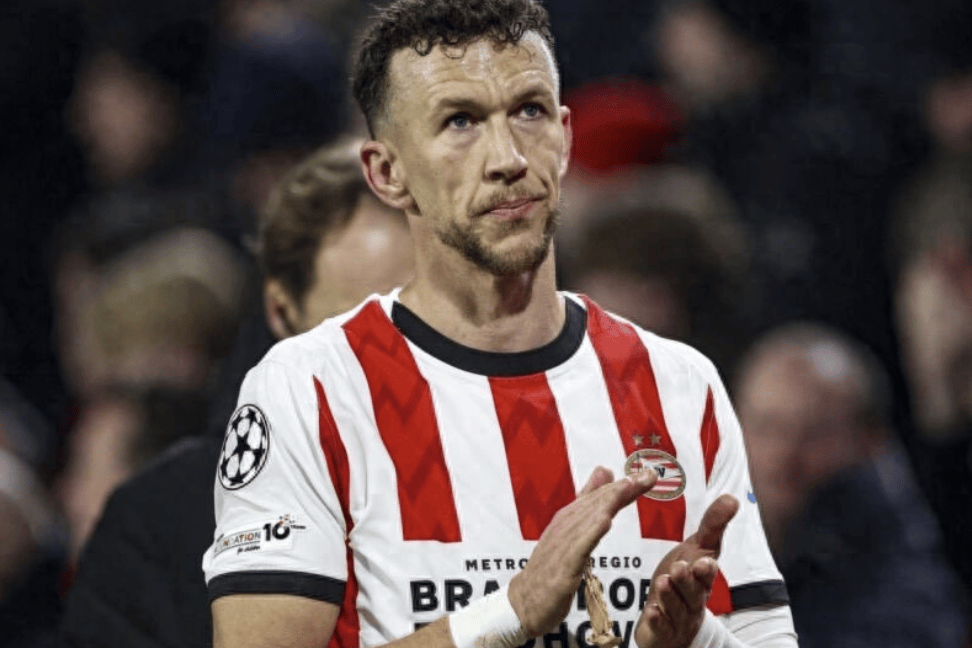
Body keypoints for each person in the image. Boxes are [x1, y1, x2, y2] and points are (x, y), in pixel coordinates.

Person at [204, 2, 796, 647]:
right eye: (459, 121)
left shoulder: (680, 384)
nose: (508, 157)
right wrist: (508, 613)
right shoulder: (310, 388)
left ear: (565, 137)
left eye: (529, 111)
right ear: (387, 173)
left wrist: (696, 639)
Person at [59, 138, 415, 648]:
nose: (401, 352)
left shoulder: (518, 480)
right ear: (282, 312)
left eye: (424, 315)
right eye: (357, 324)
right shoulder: (156, 526)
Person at [734, 322, 968, 647]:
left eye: (813, 434)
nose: (782, 456)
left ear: (869, 441)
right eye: (765, 427)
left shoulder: (896, 561)